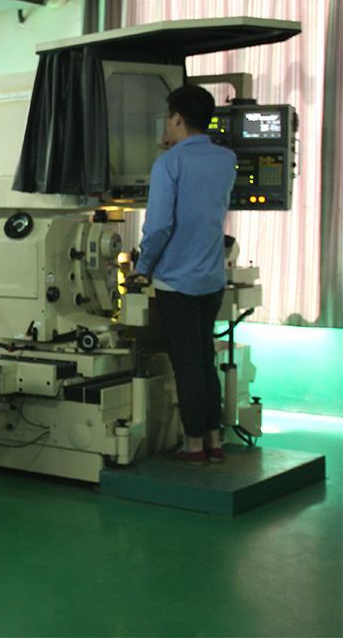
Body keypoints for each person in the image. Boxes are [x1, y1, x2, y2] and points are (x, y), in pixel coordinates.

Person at [126, 85, 237, 465]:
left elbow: (159, 226)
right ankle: (214, 441)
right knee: (205, 361)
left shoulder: (168, 164)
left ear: (175, 117)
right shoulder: (226, 159)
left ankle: (193, 446)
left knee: (187, 367)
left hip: (177, 282)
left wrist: (142, 269)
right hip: (212, 279)